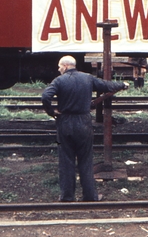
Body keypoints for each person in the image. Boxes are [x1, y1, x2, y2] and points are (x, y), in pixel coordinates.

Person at [41, 55, 128, 202]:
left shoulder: (59, 80)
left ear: (66, 66)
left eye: (60, 67)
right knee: (86, 160)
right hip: (84, 122)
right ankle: (90, 196)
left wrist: (52, 112)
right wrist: (122, 84)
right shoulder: (87, 78)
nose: (58, 69)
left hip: (65, 123)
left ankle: (67, 196)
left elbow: (45, 96)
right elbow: (106, 85)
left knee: (66, 160)